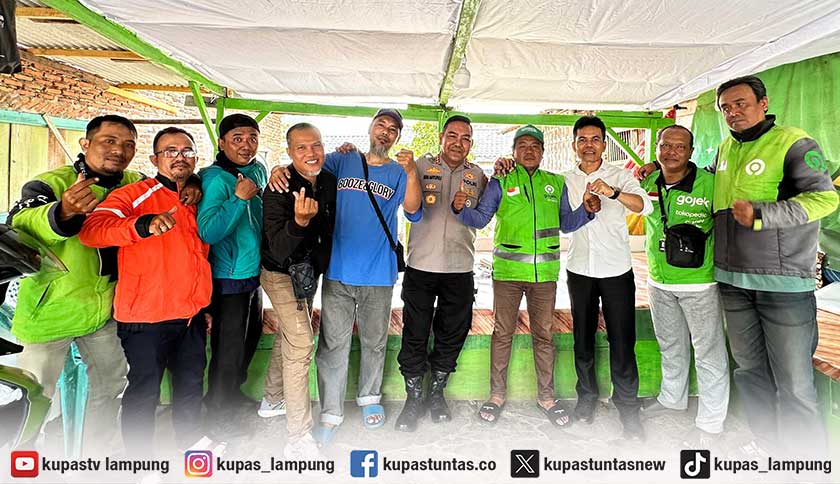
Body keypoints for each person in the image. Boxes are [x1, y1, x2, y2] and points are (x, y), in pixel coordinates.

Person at [6, 115, 200, 456]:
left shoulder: (134, 182)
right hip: (51, 312)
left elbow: (169, 180)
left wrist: (193, 180)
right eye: (109, 141)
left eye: (127, 144)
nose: (118, 150)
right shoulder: (51, 184)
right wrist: (62, 212)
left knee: (110, 387)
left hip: (105, 311)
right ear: (85, 144)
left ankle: (95, 458)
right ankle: (19, 460)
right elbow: (20, 224)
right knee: (34, 394)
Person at [269, 108, 421, 444]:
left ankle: (369, 398)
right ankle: (331, 412)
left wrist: (411, 172)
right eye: (381, 125)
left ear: (397, 136)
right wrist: (278, 170)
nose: (385, 132)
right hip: (338, 270)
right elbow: (307, 167)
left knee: (374, 342)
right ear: (371, 128)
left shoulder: (398, 171)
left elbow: (413, 210)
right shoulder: (343, 161)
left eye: (393, 129)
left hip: (379, 272)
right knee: (332, 345)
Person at [711, 76, 837, 455]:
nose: (732, 112)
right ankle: (766, 447)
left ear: (763, 103)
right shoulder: (724, 149)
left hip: (782, 285)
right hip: (733, 282)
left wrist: (763, 215)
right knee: (749, 372)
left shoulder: (793, 142)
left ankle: (804, 462)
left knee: (795, 383)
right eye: (725, 108)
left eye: (740, 103)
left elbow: (825, 199)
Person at [78, 127, 212, 457]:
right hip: (145, 317)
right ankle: (140, 461)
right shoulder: (134, 195)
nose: (180, 157)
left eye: (187, 151)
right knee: (144, 391)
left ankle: (191, 447)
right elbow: (92, 231)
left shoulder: (198, 198)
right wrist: (142, 225)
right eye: (170, 151)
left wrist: (204, 306)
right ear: (154, 159)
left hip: (190, 316)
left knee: (191, 383)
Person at [458, 125, 599, 427]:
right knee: (502, 334)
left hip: (544, 275)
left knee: (544, 336)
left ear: (543, 152)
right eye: (522, 145)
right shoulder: (501, 180)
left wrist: (586, 211)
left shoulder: (555, 183)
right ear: (513, 152)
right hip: (508, 274)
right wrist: (460, 209)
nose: (529, 150)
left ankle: (546, 397)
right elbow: (480, 219)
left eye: (535, 146)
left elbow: (566, 223)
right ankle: (497, 395)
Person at [638, 125, 730, 448]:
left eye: (680, 146)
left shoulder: (711, 184)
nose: (672, 152)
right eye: (666, 145)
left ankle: (711, 421)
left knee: (708, 352)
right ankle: (671, 398)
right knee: (670, 345)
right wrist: (647, 168)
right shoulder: (648, 181)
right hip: (658, 280)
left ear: (691, 152)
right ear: (657, 149)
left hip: (700, 283)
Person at [394, 115, 487, 432]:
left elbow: (484, 216)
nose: (458, 142)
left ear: (471, 143)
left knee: (452, 333)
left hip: (460, 269)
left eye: (465, 137)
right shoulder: (419, 166)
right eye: (452, 135)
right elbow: (406, 205)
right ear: (441, 137)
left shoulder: (478, 175)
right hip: (421, 267)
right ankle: (413, 398)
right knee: (415, 333)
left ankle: (436, 393)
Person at [562, 115, 652, 441]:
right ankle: (586, 398)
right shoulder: (565, 180)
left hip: (616, 271)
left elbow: (644, 207)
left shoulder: (621, 175)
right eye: (582, 139)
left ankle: (628, 408)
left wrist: (613, 193)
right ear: (574, 144)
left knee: (622, 341)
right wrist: (584, 208)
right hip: (580, 270)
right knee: (583, 340)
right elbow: (563, 223)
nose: (589, 145)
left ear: (604, 143)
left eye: (595, 139)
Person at [260, 122, 335, 458]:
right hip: (279, 274)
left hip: (308, 273)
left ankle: (272, 399)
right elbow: (278, 249)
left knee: (291, 336)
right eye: (301, 148)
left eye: (316, 145)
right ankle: (298, 436)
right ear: (289, 152)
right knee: (302, 343)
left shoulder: (328, 179)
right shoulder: (278, 188)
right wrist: (299, 223)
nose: (310, 153)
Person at [196, 114, 268, 428]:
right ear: (222, 142)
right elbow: (208, 231)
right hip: (228, 277)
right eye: (237, 139)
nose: (246, 145)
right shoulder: (215, 179)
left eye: (252, 137)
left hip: (253, 274)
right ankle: (218, 410)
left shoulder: (257, 170)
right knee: (228, 349)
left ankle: (232, 395)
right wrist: (239, 200)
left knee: (248, 341)